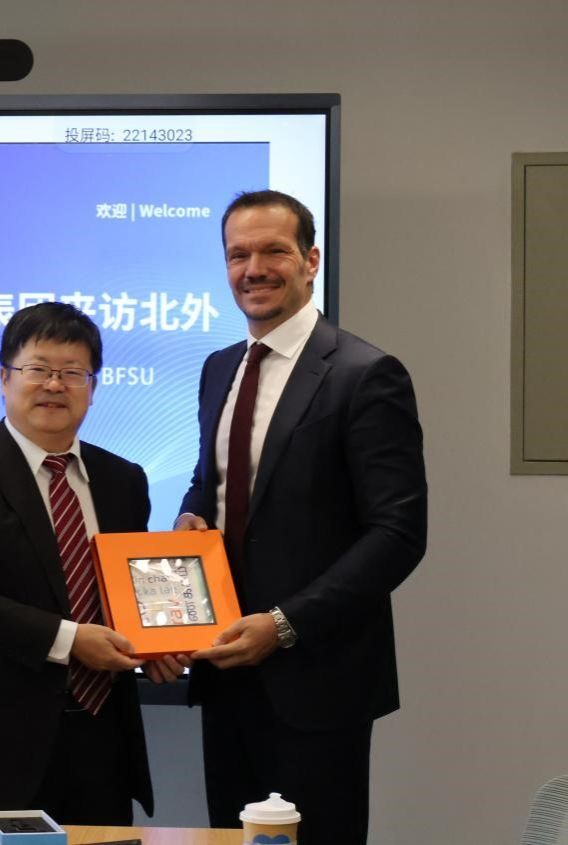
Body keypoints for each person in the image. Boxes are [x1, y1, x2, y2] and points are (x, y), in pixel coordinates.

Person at [176, 190, 427, 844]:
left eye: (273, 252)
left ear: (310, 261)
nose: (254, 269)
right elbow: (214, 481)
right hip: (226, 670)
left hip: (319, 679)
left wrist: (285, 625)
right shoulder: (219, 368)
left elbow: (398, 534)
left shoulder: (365, 374)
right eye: (238, 254)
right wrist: (190, 512)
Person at [0, 301, 185, 825]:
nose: (55, 385)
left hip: (102, 740)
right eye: (38, 369)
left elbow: (124, 593)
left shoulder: (123, 480)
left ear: (93, 387)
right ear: (4, 378)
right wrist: (72, 640)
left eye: (73, 372)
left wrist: (154, 643)